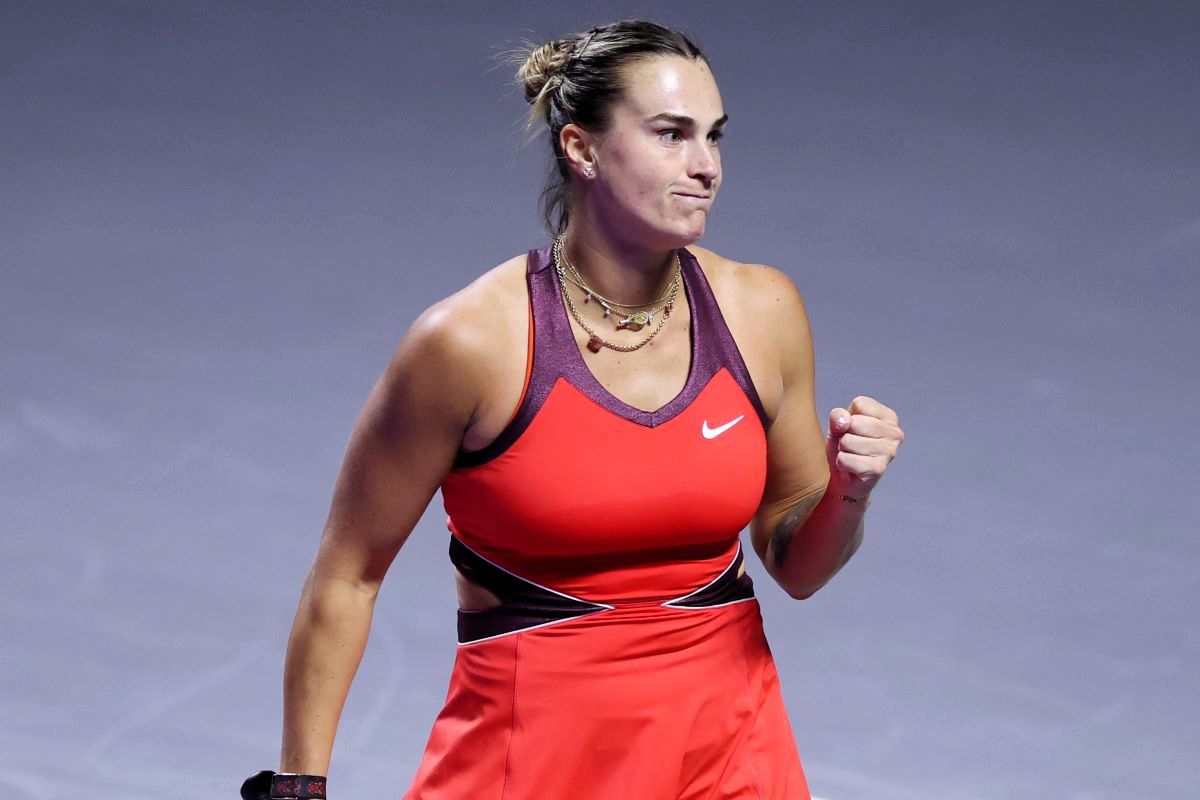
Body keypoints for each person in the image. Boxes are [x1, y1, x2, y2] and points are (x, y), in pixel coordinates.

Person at [260, 19, 903, 800]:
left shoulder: (762, 311)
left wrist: (848, 494)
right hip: (529, 762)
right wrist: (297, 789)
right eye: (671, 134)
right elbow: (347, 579)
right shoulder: (469, 343)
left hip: (733, 756)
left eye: (714, 136)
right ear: (582, 149)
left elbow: (798, 569)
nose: (706, 166)